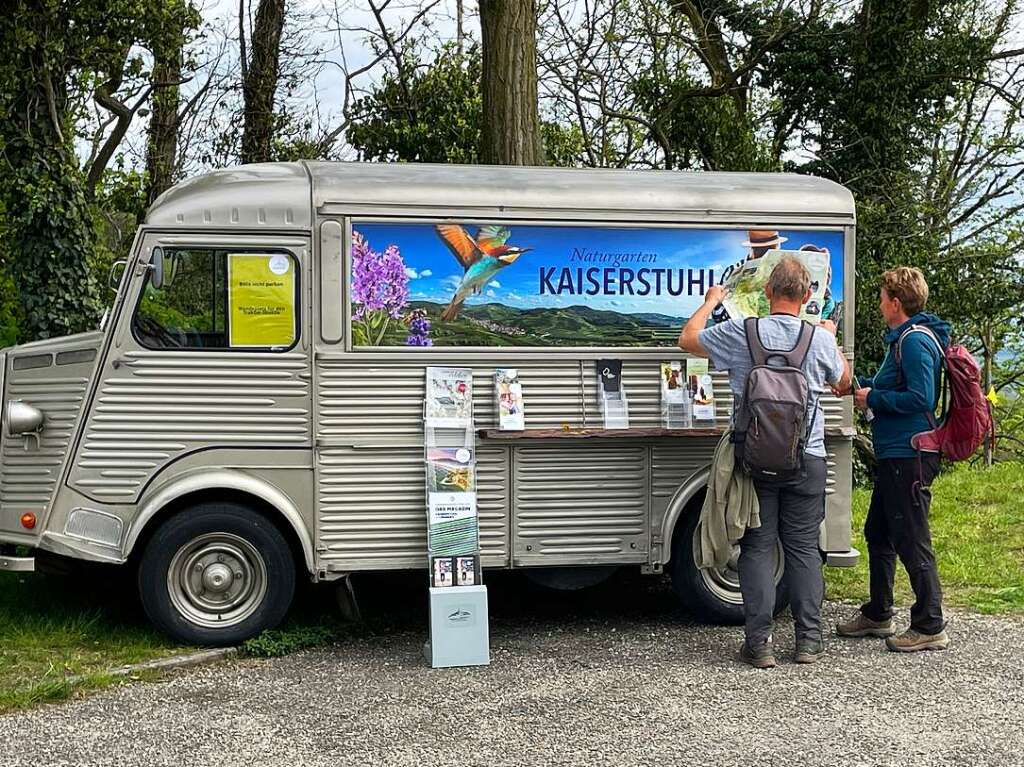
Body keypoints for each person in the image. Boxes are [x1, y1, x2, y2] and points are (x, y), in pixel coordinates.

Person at [680, 256, 851, 668]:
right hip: (806, 458)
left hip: (754, 460)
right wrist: (830, 336)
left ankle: (759, 644)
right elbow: (844, 386)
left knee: (757, 547)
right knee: (804, 550)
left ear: (768, 293)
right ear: (807, 296)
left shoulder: (743, 332)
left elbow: (688, 339)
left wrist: (710, 300)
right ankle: (808, 643)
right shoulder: (819, 339)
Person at [835, 267, 951, 652]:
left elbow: (922, 399)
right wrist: (858, 385)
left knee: (911, 536)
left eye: (883, 297)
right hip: (895, 453)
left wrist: (874, 399)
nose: (879, 303)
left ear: (896, 302)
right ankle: (878, 612)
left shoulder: (914, 342)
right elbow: (889, 388)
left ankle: (930, 623)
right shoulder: (901, 340)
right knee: (878, 532)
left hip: (909, 454)